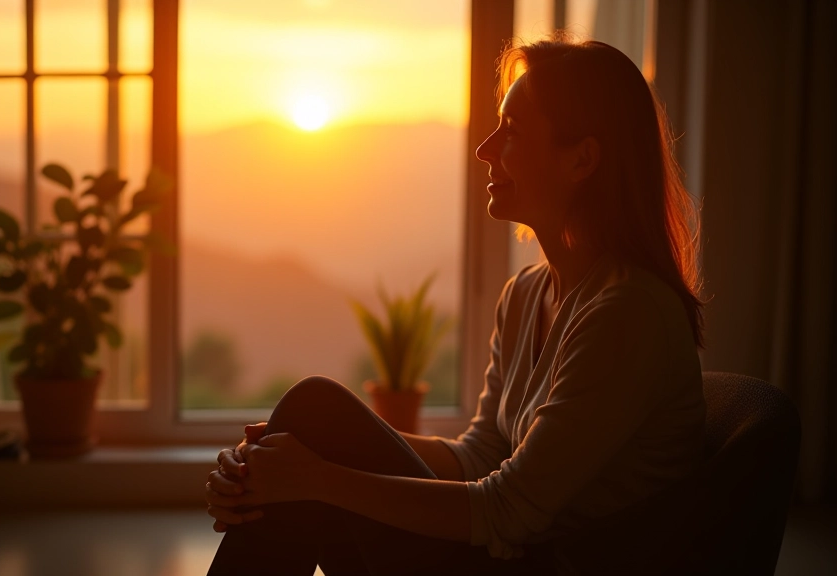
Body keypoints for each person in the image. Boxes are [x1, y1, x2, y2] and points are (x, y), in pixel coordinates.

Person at [204, 37, 706, 576]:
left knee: (315, 412)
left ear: (581, 159)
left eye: (511, 131)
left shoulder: (628, 313)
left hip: (542, 563)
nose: (485, 149)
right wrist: (291, 455)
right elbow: (481, 455)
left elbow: (507, 510)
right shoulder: (527, 294)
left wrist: (318, 475)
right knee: (310, 419)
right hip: (503, 553)